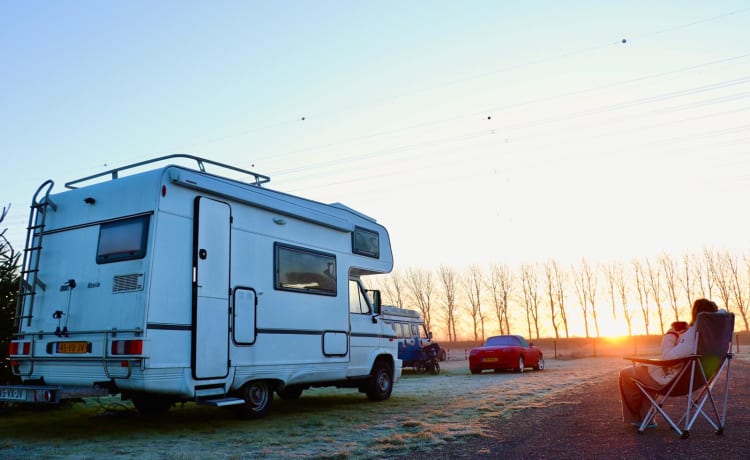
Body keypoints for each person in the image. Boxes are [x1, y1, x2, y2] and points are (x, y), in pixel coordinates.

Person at [618, 298, 719, 428]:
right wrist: (682, 335)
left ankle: (639, 418)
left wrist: (671, 335)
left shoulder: (693, 335)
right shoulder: (715, 337)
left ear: (695, 314)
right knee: (643, 375)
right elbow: (687, 350)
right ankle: (645, 417)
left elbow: (668, 360)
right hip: (698, 380)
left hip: (675, 380)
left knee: (626, 374)